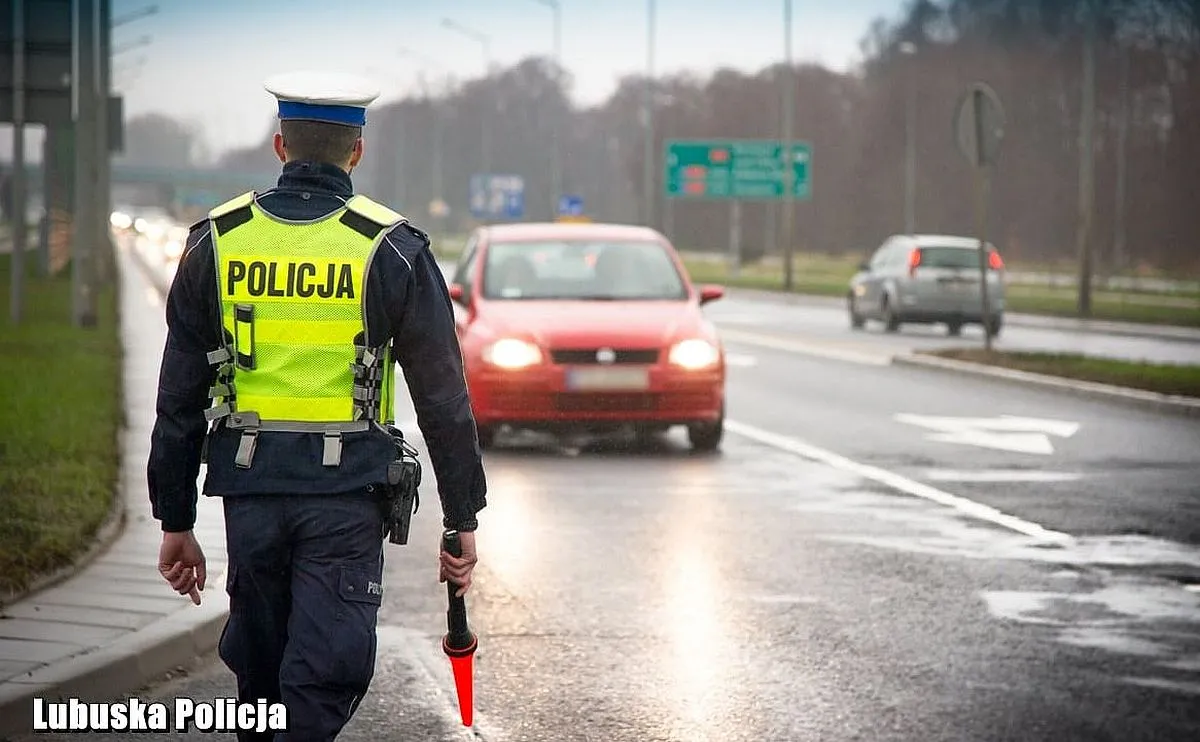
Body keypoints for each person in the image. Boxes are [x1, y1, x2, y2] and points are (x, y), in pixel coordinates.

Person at [146, 70, 487, 741]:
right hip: (347, 495)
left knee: (262, 673)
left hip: (251, 492)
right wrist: (461, 516)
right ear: (356, 152)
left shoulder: (215, 242)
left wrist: (174, 519)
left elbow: (177, 399)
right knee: (325, 668)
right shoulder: (392, 249)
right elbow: (445, 400)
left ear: (280, 147)